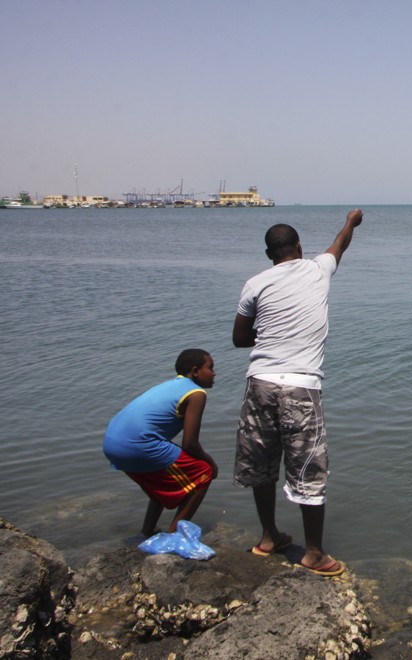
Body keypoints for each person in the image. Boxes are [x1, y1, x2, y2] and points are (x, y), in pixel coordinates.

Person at [233, 209, 363, 577]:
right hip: (301, 386)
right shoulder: (317, 269)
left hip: (259, 382)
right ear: (299, 247)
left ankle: (269, 537)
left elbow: (239, 338)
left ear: (269, 255)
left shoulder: (255, 284)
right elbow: (340, 243)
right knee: (308, 466)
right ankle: (315, 554)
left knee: (260, 463)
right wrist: (351, 220)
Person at [103, 349, 218, 536]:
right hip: (137, 445)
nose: (214, 373)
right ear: (195, 371)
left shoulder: (171, 385)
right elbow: (190, 444)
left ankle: (148, 530)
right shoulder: (196, 393)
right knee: (203, 472)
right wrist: (211, 463)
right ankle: (175, 536)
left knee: (161, 480)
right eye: (210, 368)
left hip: (112, 444)